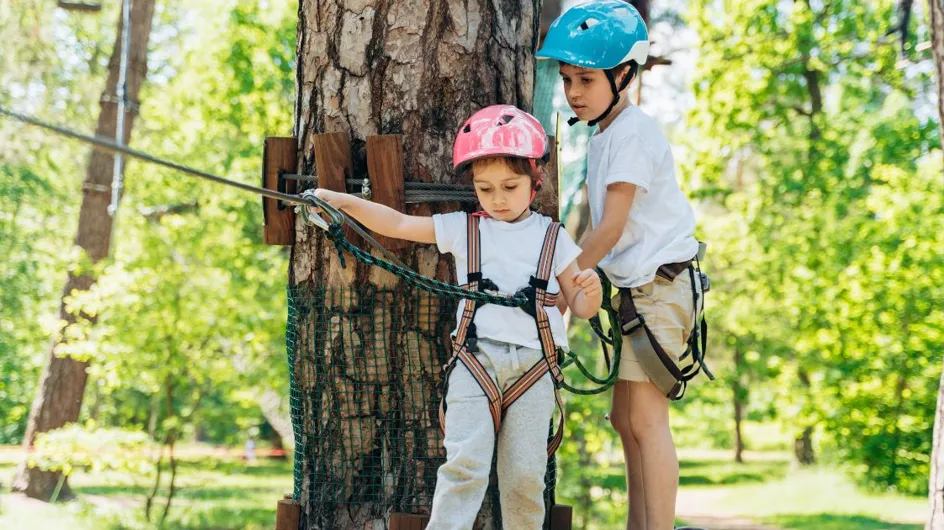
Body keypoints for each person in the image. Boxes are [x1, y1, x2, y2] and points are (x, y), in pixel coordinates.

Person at [313, 104, 602, 529]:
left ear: (535, 181)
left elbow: (580, 306)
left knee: (524, 477)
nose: (498, 199)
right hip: (475, 363)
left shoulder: (552, 238)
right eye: (485, 189)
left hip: (535, 368)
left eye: (510, 186)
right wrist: (340, 201)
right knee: (463, 468)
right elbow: (397, 223)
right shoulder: (466, 229)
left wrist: (588, 295)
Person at [538, 2, 708, 529]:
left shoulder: (631, 132)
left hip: (661, 287)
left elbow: (609, 229)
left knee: (646, 419)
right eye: (567, 79)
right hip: (638, 292)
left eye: (586, 79)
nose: (573, 92)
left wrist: (561, 289)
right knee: (623, 419)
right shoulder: (607, 134)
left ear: (625, 75)